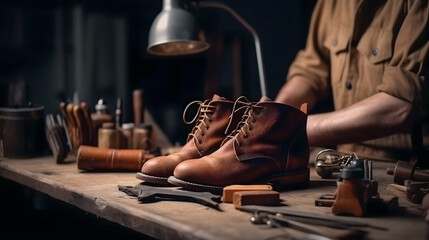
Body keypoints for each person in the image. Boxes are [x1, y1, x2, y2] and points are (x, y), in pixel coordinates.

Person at [275, 0, 429, 162]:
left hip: (407, 165)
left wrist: (295, 129)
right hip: (344, 158)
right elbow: (312, 70)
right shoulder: (332, 3)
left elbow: (401, 107)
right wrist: (272, 116)